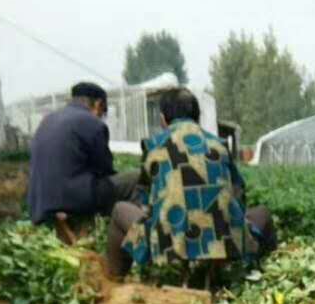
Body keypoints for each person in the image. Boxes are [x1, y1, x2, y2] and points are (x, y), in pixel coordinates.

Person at [106, 88, 275, 280]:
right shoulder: (218, 144)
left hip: (168, 248)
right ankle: (259, 275)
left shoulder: (154, 146)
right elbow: (239, 193)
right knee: (262, 214)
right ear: (197, 117)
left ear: (163, 119)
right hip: (226, 246)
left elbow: (145, 202)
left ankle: (114, 282)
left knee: (120, 210)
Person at [27, 82, 140, 233]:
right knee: (137, 178)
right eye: (103, 112)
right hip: (72, 200)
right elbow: (104, 169)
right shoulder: (92, 123)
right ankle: (132, 236)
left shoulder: (48, 119)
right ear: (98, 104)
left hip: (39, 203)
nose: (102, 117)